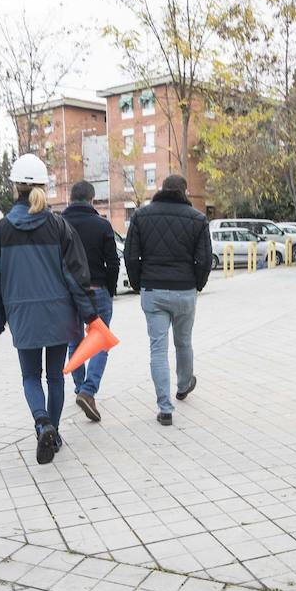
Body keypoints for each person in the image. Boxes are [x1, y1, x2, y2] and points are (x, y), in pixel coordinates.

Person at [0, 153, 98, 464]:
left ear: (15, 187)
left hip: (23, 315)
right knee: (56, 378)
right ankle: (55, 432)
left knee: (30, 377)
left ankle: (42, 422)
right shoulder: (59, 226)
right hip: (60, 315)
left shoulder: (3, 230)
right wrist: (91, 315)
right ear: (43, 187)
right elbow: (77, 274)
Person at [124, 174, 211, 426]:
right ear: (184, 191)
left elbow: (131, 256)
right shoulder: (198, 219)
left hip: (154, 291)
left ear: (162, 189)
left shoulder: (141, 216)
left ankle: (165, 408)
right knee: (183, 342)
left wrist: (140, 284)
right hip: (185, 290)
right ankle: (183, 385)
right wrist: (197, 285)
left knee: (158, 350)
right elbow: (205, 259)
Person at [62, 181, 121, 421]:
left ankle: (79, 387)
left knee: (74, 342)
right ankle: (88, 390)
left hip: (68, 294)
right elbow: (113, 261)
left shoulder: (59, 224)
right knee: (100, 342)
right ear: (92, 200)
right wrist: (110, 288)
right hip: (97, 291)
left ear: (71, 198)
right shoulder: (102, 225)